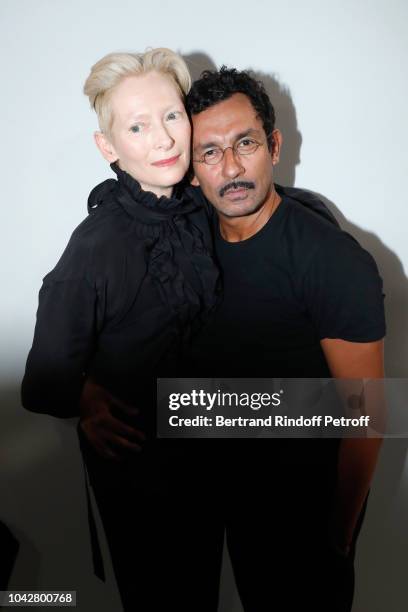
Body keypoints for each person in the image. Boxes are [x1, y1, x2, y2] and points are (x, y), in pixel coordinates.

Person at [21, 49, 222, 612]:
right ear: (108, 148)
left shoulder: (198, 207)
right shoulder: (97, 245)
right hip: (144, 481)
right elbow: (39, 383)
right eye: (137, 126)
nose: (163, 139)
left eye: (171, 116)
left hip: (207, 459)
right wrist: (83, 392)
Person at [184, 67, 386, 612]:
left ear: (272, 145)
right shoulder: (187, 244)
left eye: (244, 143)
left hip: (308, 526)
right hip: (233, 512)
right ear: (191, 166)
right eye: (209, 152)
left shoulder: (333, 261)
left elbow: (365, 417)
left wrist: (337, 537)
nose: (230, 168)